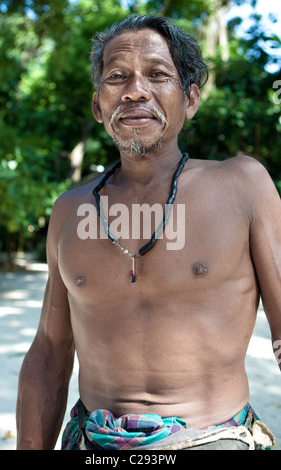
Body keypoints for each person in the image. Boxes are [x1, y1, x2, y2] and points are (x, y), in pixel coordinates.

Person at [16, 15, 280, 451]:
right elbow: (48, 352)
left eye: (157, 75)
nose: (135, 90)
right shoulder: (70, 210)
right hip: (92, 442)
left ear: (191, 99)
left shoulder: (242, 185)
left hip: (213, 438)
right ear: (99, 106)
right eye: (117, 77)